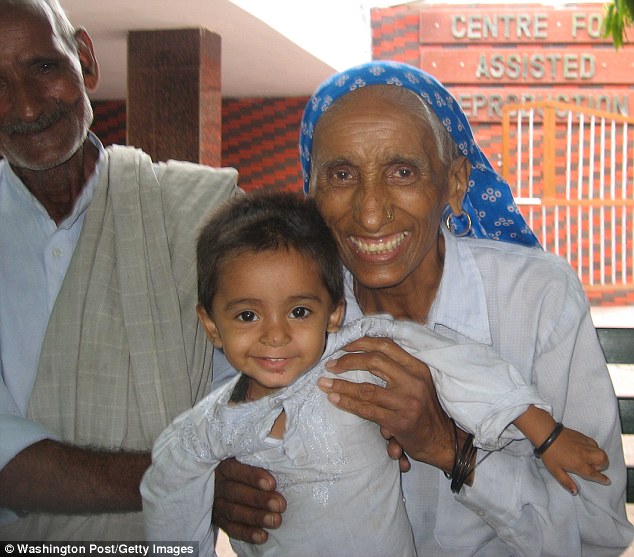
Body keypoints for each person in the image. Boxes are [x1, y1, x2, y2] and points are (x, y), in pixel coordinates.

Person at [211, 61, 634, 556]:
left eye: (402, 172)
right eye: (342, 175)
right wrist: (220, 484)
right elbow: (223, 445)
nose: (371, 213)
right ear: (313, 192)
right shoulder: (276, 312)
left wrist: (447, 446)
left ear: (454, 183)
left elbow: (597, 533)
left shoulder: (536, 297)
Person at [144, 191, 610, 556]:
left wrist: (544, 433)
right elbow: (168, 493)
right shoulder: (210, 427)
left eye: (299, 311)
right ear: (211, 324)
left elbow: (458, 361)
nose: (275, 335)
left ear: (333, 312)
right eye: (247, 316)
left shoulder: (357, 355)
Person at [0, 0, 238, 540]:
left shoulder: (199, 215)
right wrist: (188, 478)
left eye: (43, 66)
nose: (27, 106)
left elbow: (254, 382)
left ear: (84, 59)